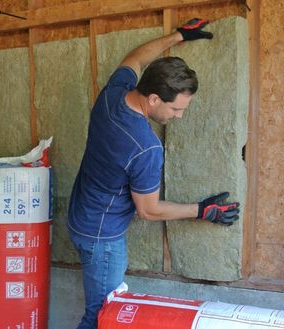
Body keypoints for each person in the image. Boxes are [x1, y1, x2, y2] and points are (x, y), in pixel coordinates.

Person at [67, 18, 240, 329]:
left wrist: (177, 36)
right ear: (154, 99)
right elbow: (148, 210)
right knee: (100, 316)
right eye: (176, 109)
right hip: (102, 237)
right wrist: (203, 210)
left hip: (81, 215)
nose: (180, 116)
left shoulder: (113, 94)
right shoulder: (145, 148)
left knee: (100, 312)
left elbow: (135, 59)